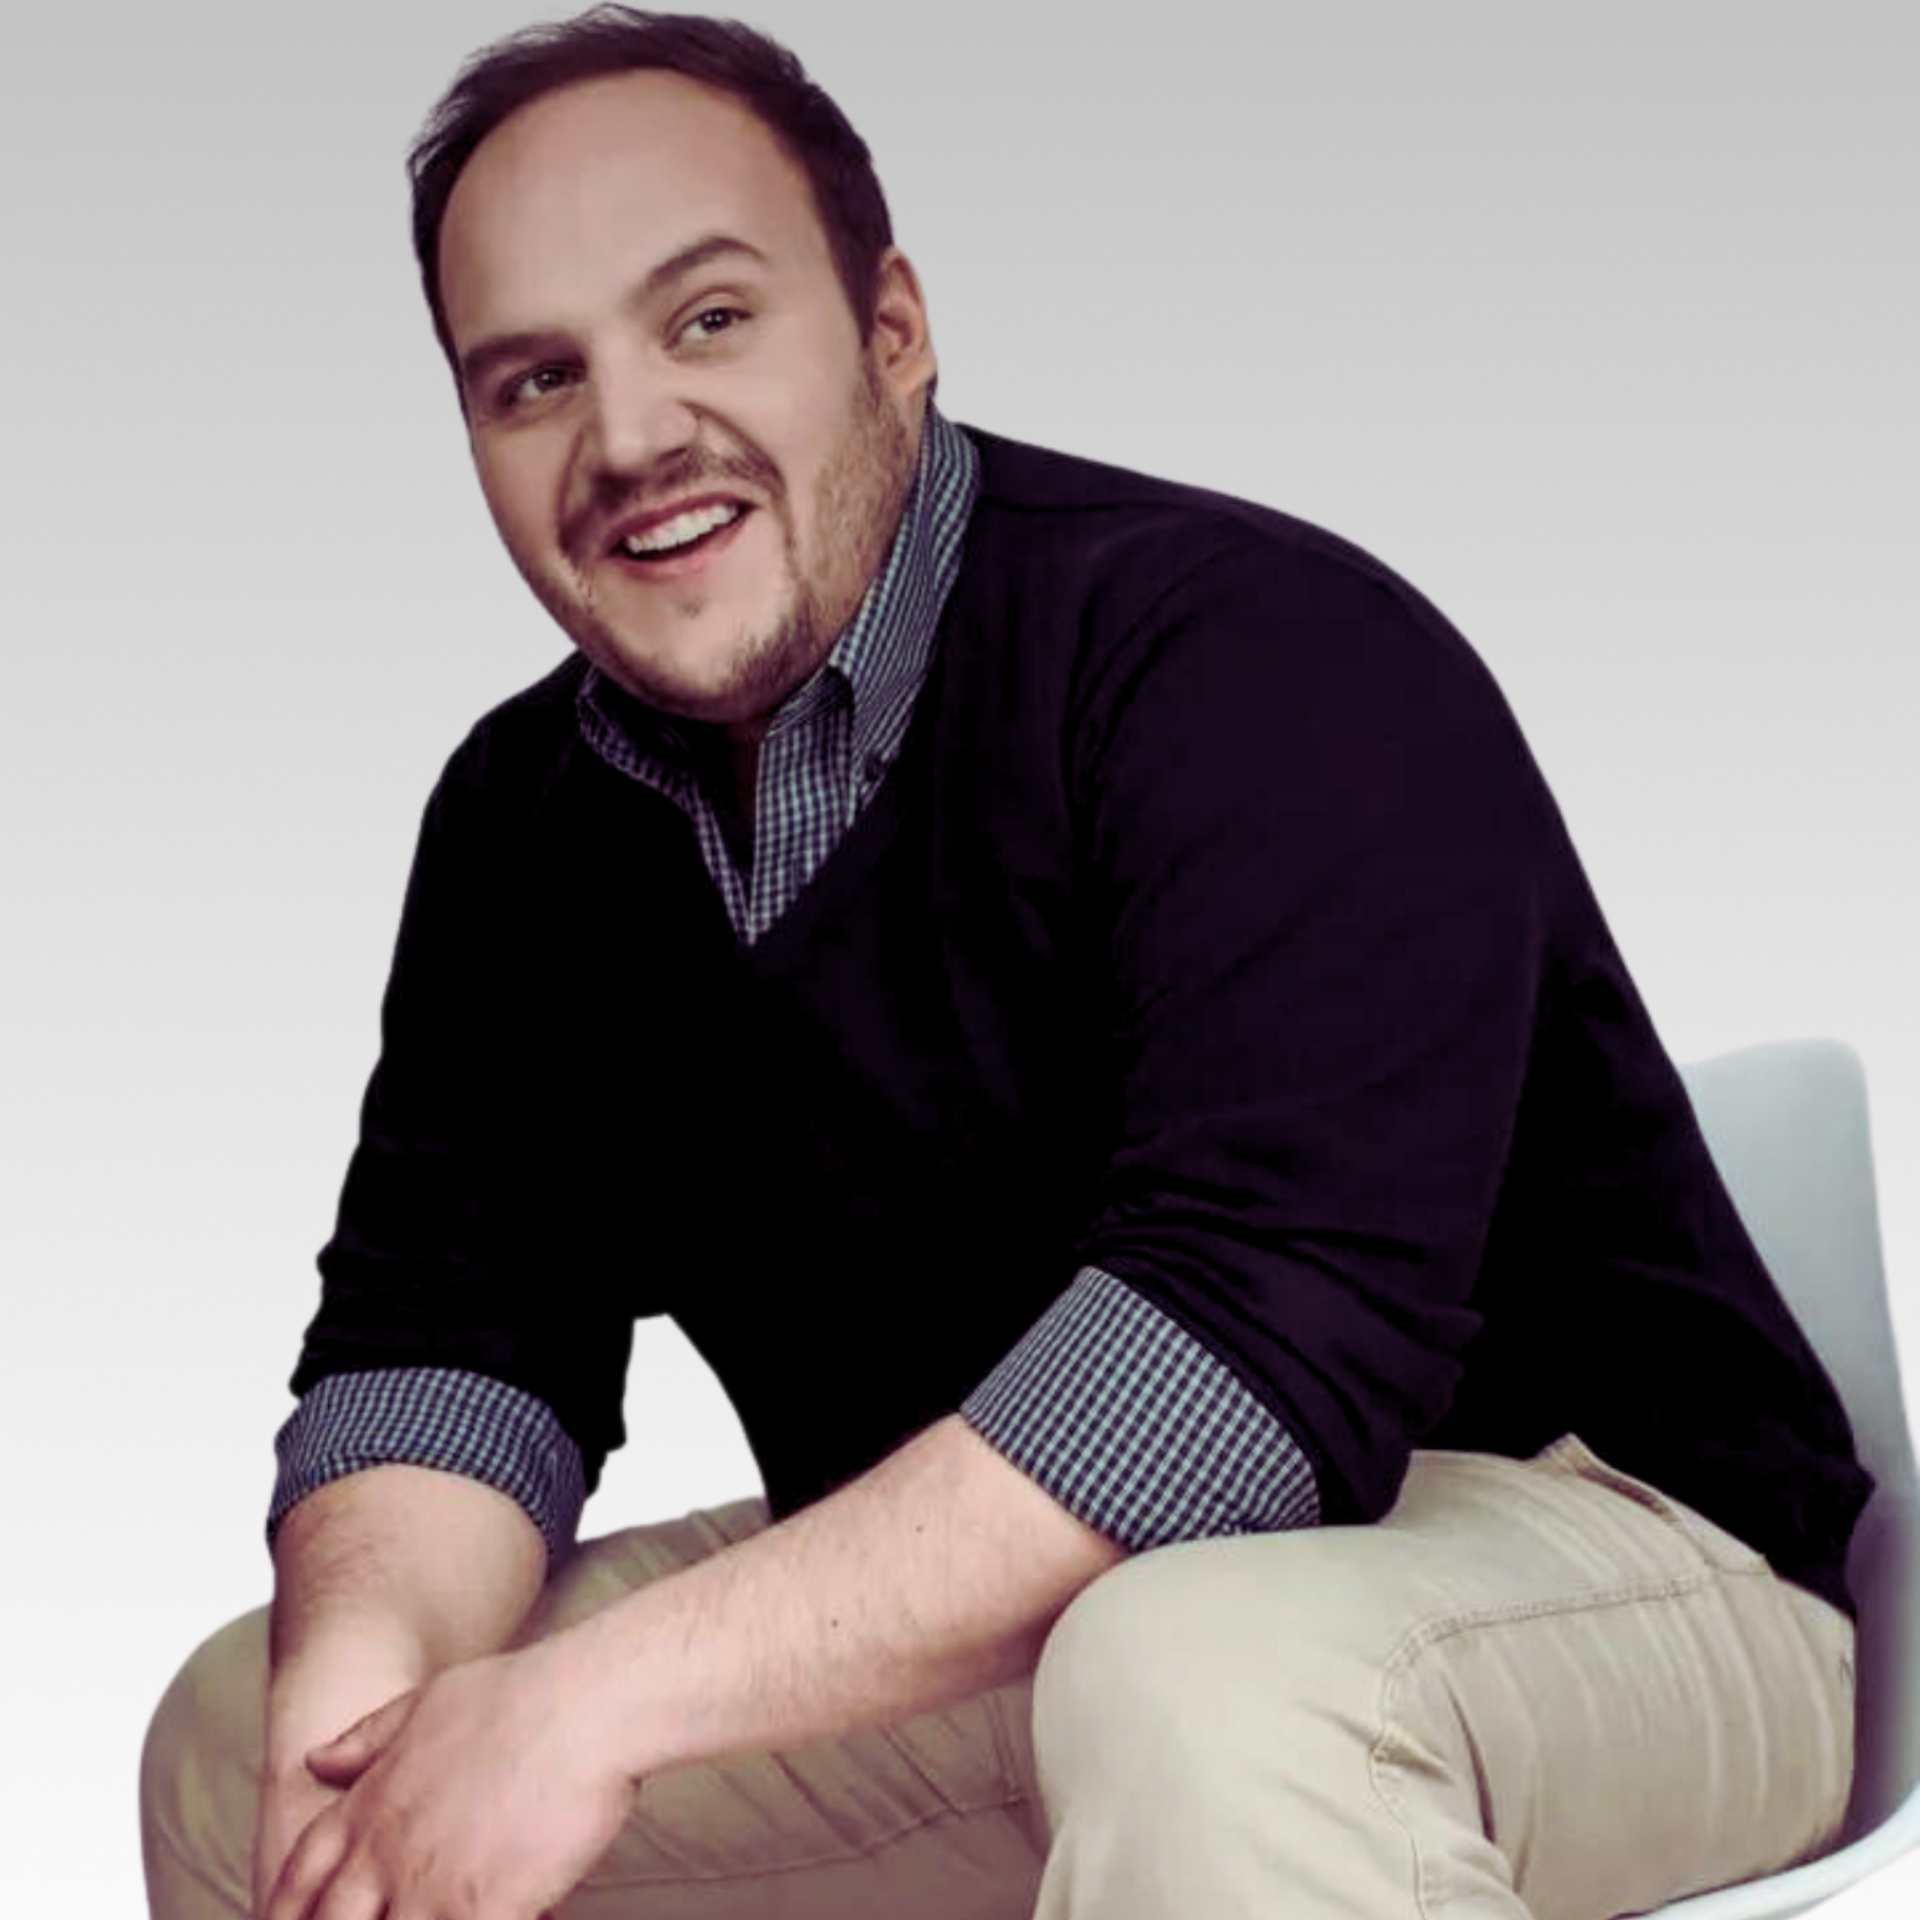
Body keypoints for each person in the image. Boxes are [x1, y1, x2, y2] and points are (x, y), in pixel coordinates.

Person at [140, 8, 1871, 1918]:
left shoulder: (1251, 657)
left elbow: (1239, 1371)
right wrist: (364, 1734)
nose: (630, 438)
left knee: (1198, 1677)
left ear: (893, 328)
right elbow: (446, 1351)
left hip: (1604, 1568)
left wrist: (593, 1710)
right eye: (533, 380)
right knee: (246, 1734)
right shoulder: (520, 825)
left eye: (709, 319)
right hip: (1050, 1639)